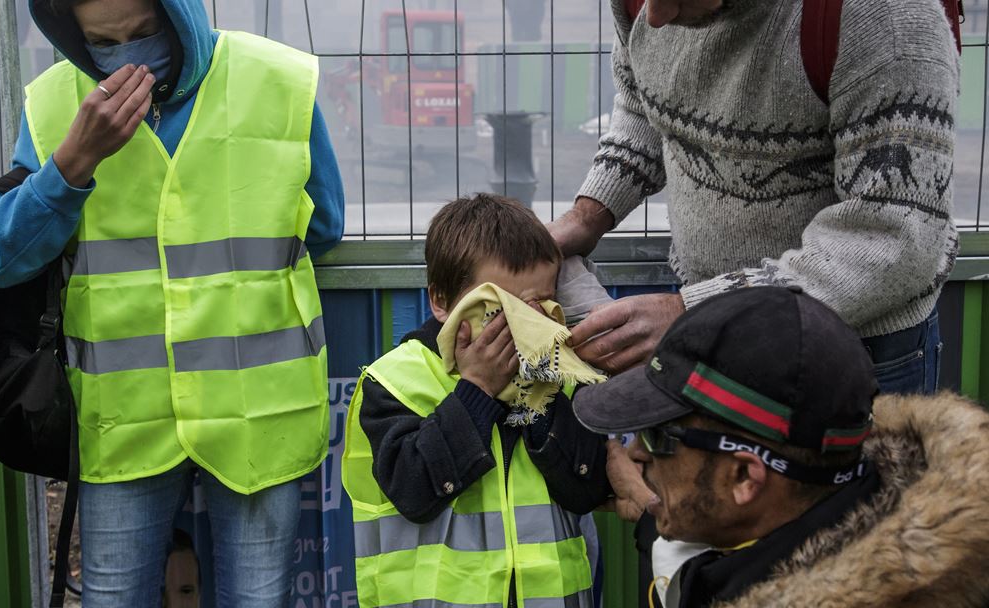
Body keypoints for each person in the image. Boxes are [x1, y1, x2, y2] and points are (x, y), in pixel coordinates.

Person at [0, 0, 344, 605]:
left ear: (181, 17)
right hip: (125, 417)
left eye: (145, 33)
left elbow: (323, 225)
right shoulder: (54, 105)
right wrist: (72, 164)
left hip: (258, 410)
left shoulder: (281, 81)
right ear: (73, 34)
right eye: (104, 44)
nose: (128, 57)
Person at [550, 0, 959, 395]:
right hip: (709, 320)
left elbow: (893, 238)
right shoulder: (646, 6)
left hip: (850, 348)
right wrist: (589, 215)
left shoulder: (886, 18)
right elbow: (645, 104)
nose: (656, 16)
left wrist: (696, 313)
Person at [572, 286, 989, 607]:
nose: (636, 455)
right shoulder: (845, 495)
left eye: (659, 437)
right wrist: (657, 514)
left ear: (743, 477)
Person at [341, 194, 612, 608]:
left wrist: (536, 396)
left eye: (538, 306)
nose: (523, 325)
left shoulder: (562, 373)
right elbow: (415, 491)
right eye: (499, 309)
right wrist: (478, 391)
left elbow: (585, 490)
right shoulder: (394, 383)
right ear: (442, 302)